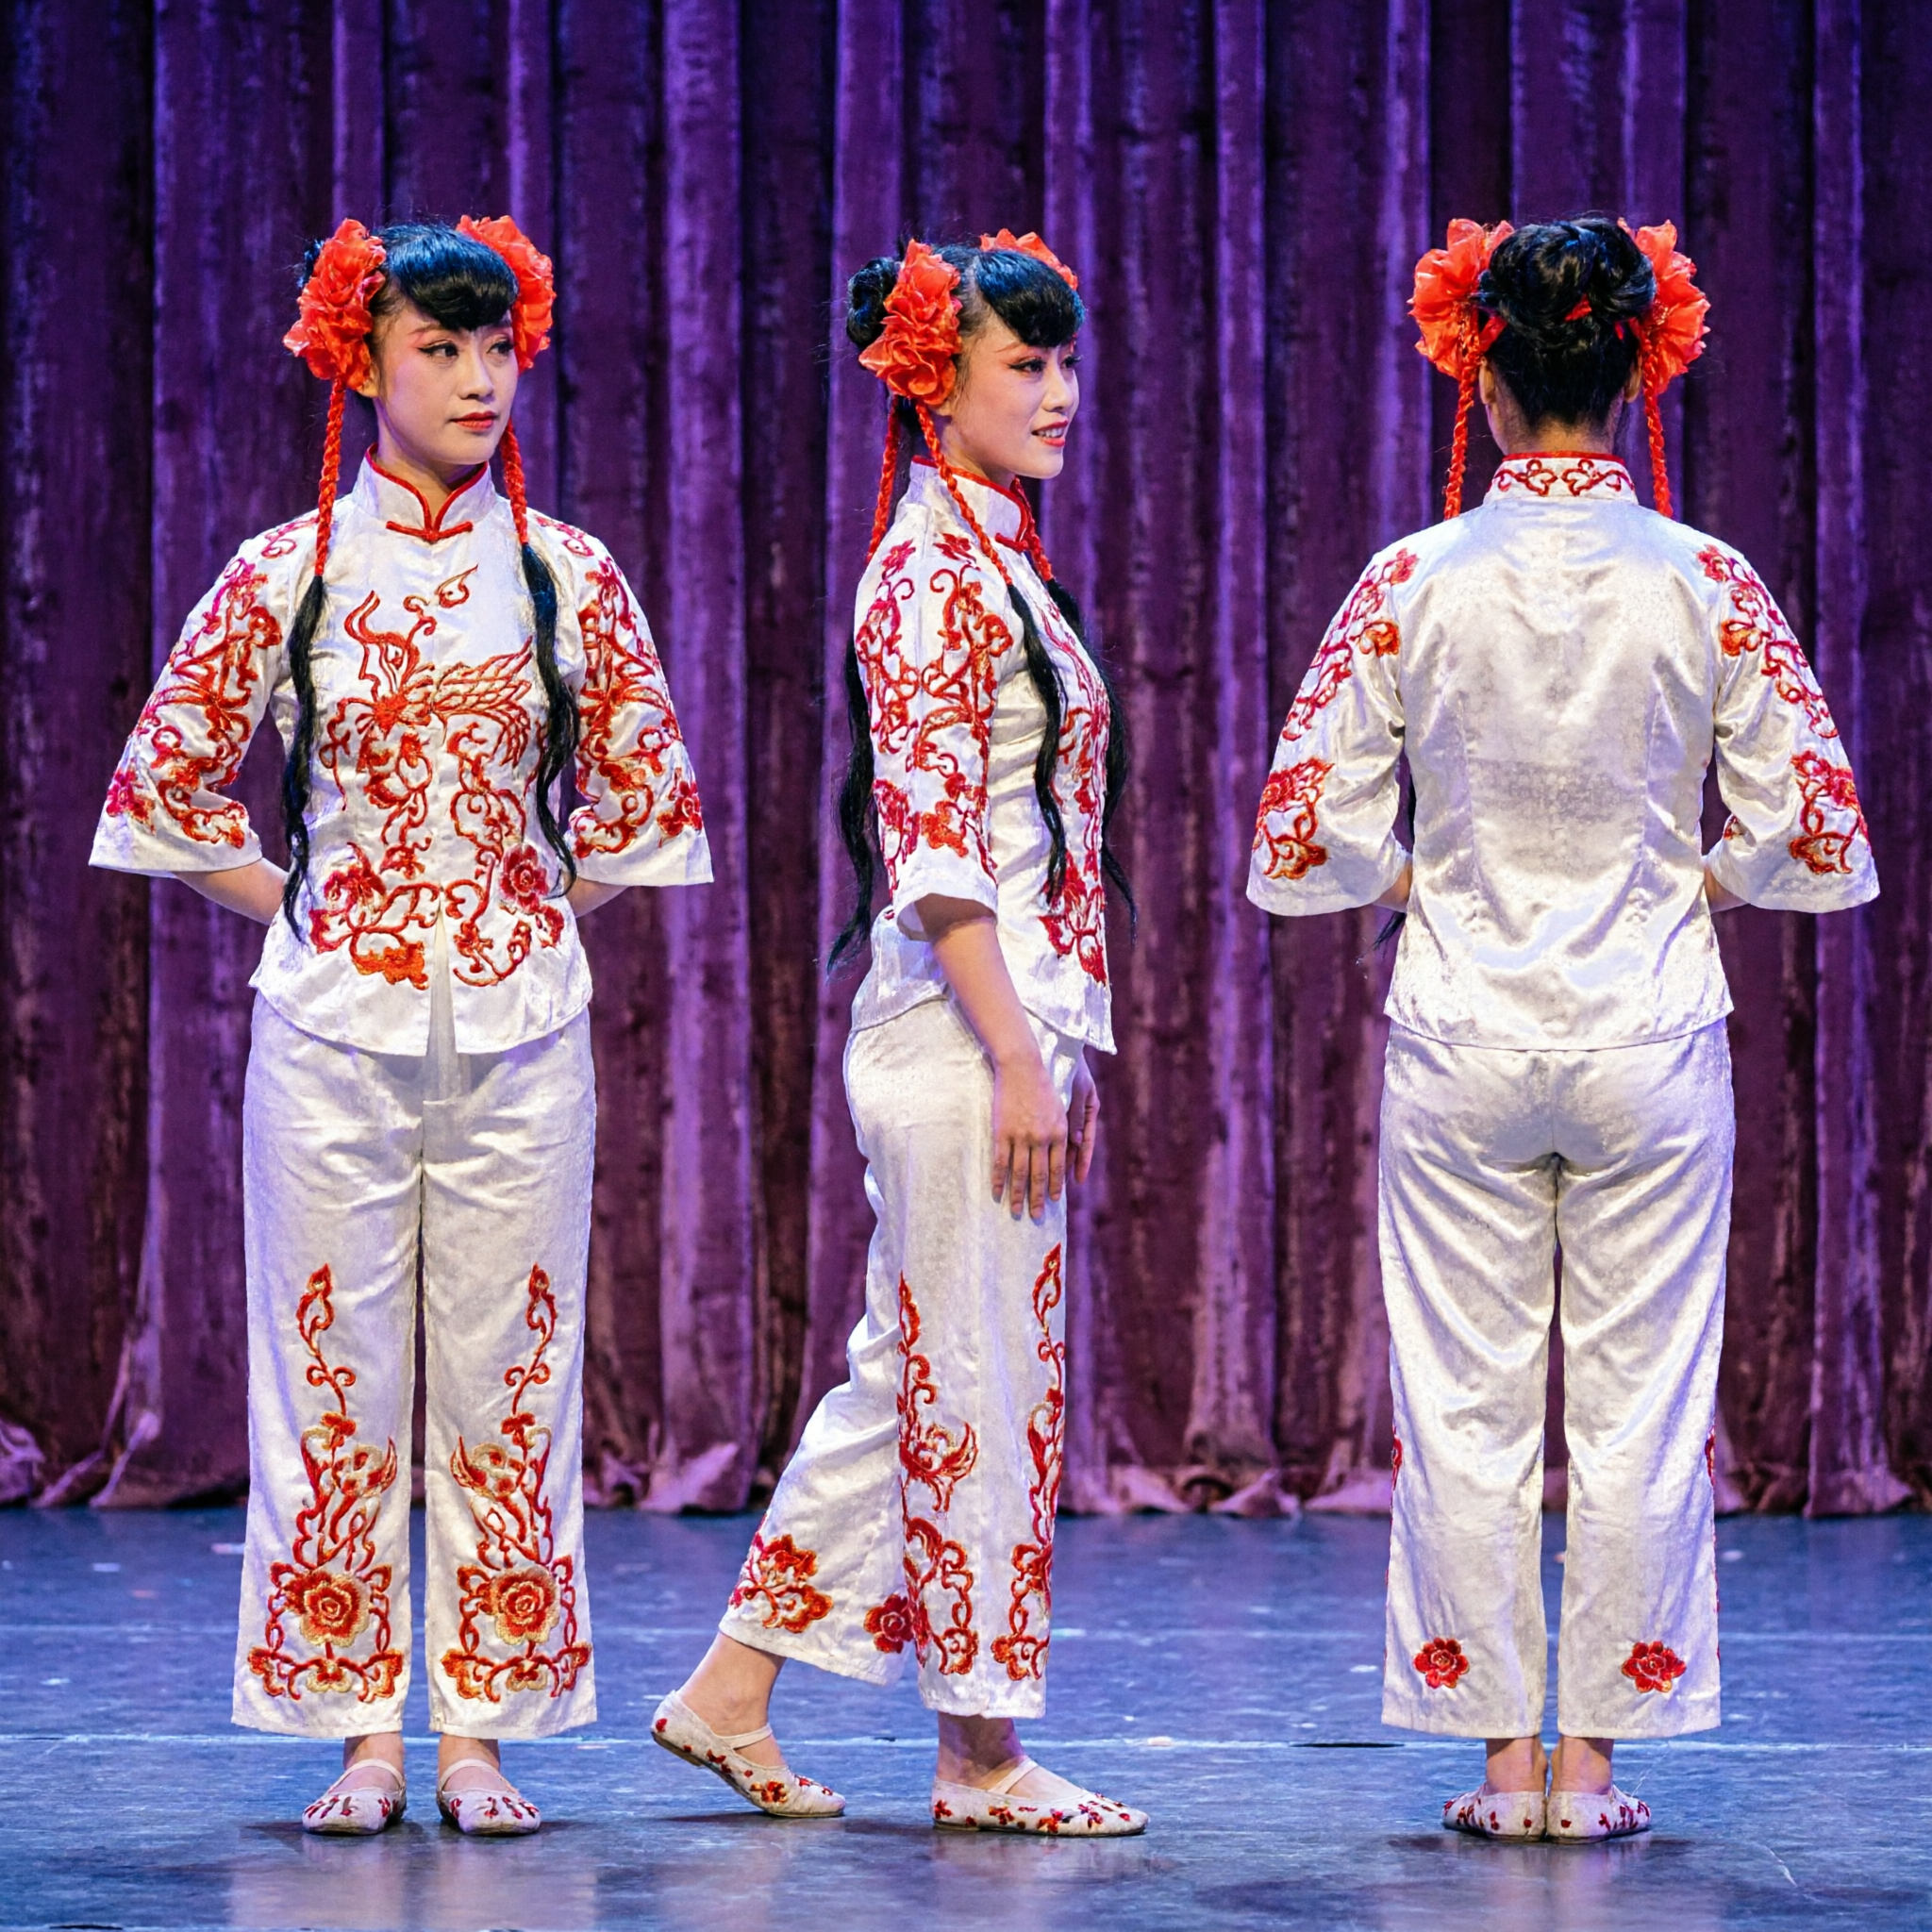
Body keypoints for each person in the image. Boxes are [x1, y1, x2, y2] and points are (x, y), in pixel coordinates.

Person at [1247, 215, 1875, 1841]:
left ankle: (1494, 1766)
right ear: (1633, 362)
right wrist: (1692, 881)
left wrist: (1426, 877)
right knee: (1642, 1402)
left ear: (1487, 368)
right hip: (1649, 1032)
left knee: (1460, 1401)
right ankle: (1592, 1767)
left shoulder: (1411, 580)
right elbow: (1820, 833)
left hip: (1462, 1027)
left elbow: (1299, 839)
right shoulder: (1706, 578)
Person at [92, 219, 710, 1836]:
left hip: (519, 1025)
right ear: (360, 365)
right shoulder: (284, 572)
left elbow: (643, 806)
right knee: (332, 1375)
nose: (475, 378)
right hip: (330, 1025)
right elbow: (163, 791)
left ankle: (483, 1735)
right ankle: (363, 1729)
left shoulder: (563, 571)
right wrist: (311, 903)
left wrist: (504, 901)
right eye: (438, 349)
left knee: (512, 1379)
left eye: (494, 349)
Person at [652, 231, 1143, 1837]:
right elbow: (936, 848)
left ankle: (731, 1693)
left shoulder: (990, 558)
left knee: (912, 1375)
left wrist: (1039, 1041)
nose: (1060, 391)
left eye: (1066, 362)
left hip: (996, 1023)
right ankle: (980, 1754)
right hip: (958, 1028)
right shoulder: (932, 573)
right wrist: (1013, 1051)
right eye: (1026, 364)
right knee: (977, 1383)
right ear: (941, 381)